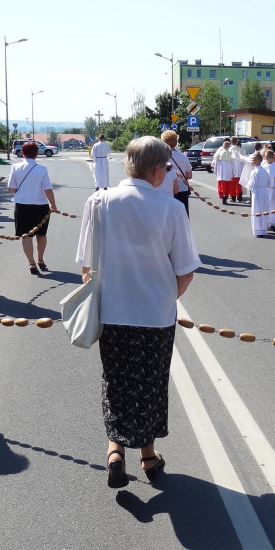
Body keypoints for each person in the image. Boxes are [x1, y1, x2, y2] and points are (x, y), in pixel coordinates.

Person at [75, 136, 200, 489]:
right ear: (158, 169)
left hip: (112, 311)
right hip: (155, 315)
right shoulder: (172, 209)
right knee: (151, 384)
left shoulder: (98, 201)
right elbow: (186, 270)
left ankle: (115, 451)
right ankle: (148, 455)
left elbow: (86, 267)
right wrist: (163, 297)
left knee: (116, 381)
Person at [8, 141, 58, 274]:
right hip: (40, 206)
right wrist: (53, 204)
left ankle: (31, 263)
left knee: (26, 236)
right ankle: (40, 259)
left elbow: (11, 188)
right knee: (41, 234)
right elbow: (48, 189)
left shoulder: (15, 167)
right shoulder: (42, 169)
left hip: (22, 205)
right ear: (36, 154)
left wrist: (22, 190)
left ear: (22, 153)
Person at [161, 130, 193, 214]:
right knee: (183, 216)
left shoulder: (161, 157)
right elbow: (189, 176)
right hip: (182, 190)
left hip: (167, 190)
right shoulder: (183, 156)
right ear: (176, 142)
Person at [212, 140, 239, 204]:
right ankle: (226, 196)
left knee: (223, 185)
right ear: (229, 146)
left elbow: (215, 163)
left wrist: (215, 170)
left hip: (222, 172)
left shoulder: (219, 153)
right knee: (228, 185)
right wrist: (234, 172)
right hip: (229, 172)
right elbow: (234, 164)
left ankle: (224, 196)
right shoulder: (231, 154)